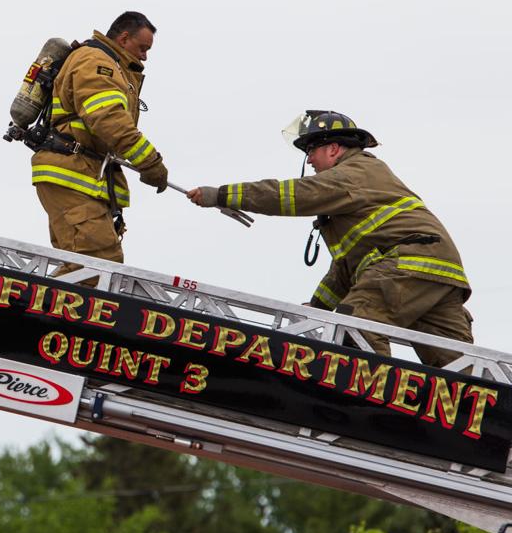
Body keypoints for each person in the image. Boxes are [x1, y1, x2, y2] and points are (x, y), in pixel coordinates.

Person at [186, 111, 472, 367]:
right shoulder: (361, 184)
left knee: (355, 327)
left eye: (311, 150)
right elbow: (346, 267)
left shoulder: (352, 173)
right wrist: (318, 307)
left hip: (407, 264)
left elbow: (290, 195)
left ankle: (367, 401)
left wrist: (220, 195)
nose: (309, 159)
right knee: (460, 368)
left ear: (333, 148)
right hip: (435, 273)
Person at [31, 11, 169, 274]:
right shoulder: (96, 61)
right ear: (124, 38)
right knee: (96, 267)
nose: (144, 56)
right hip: (72, 173)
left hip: (81, 175)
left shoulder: (109, 65)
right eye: (142, 48)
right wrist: (150, 162)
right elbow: (108, 118)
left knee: (85, 270)